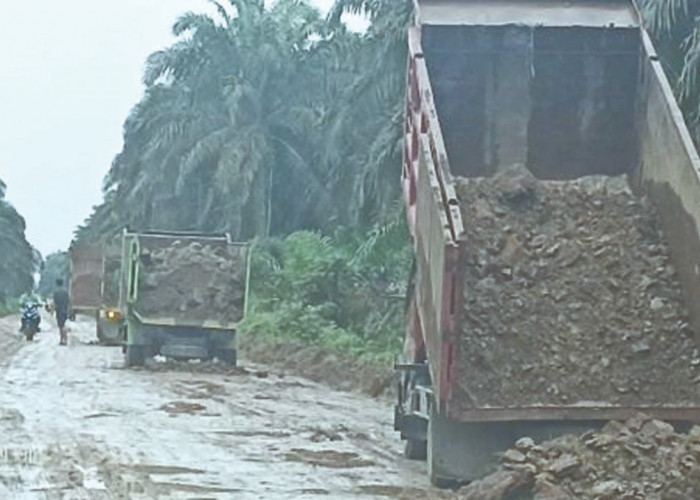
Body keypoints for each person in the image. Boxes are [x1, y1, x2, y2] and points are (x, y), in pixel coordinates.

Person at [52, 279, 70, 345]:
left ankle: (64, 339)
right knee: (62, 325)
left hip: (59, 310)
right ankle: (63, 339)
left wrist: (52, 310)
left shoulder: (56, 292)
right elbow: (68, 301)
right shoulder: (65, 291)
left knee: (61, 326)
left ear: (57, 283)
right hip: (65, 310)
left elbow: (54, 302)